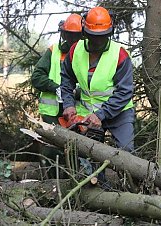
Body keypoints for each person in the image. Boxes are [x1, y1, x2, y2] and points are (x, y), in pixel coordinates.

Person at [60, 6, 135, 153]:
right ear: (85, 32)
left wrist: (100, 114)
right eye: (94, 36)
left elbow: (124, 92)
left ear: (109, 33)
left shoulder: (120, 55)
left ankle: (128, 176)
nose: (98, 41)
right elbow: (66, 79)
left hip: (119, 112)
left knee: (127, 152)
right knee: (88, 154)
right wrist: (68, 104)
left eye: (102, 36)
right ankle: (94, 177)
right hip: (87, 112)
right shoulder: (75, 50)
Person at [31, 13, 83, 178]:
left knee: (75, 147)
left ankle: (74, 181)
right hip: (52, 111)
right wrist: (56, 87)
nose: (73, 40)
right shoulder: (53, 52)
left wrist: (76, 93)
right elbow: (36, 77)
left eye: (76, 36)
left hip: (76, 109)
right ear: (64, 34)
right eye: (70, 35)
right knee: (52, 148)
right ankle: (52, 183)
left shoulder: (86, 54)